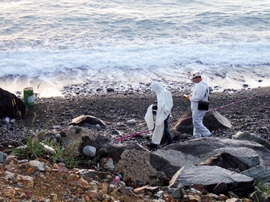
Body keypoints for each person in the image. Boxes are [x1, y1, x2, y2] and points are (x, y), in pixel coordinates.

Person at [144, 81, 174, 148]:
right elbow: (161, 103)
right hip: (161, 113)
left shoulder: (165, 93)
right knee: (159, 126)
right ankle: (156, 141)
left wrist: (165, 111)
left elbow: (168, 104)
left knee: (163, 127)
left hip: (164, 114)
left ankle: (169, 141)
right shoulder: (160, 93)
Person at [184, 71, 212, 139]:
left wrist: (189, 98)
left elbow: (199, 97)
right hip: (201, 105)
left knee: (196, 122)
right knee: (198, 121)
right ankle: (196, 136)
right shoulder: (202, 84)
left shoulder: (200, 85)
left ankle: (207, 134)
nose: (193, 80)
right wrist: (191, 95)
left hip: (199, 106)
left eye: (193, 79)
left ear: (197, 78)